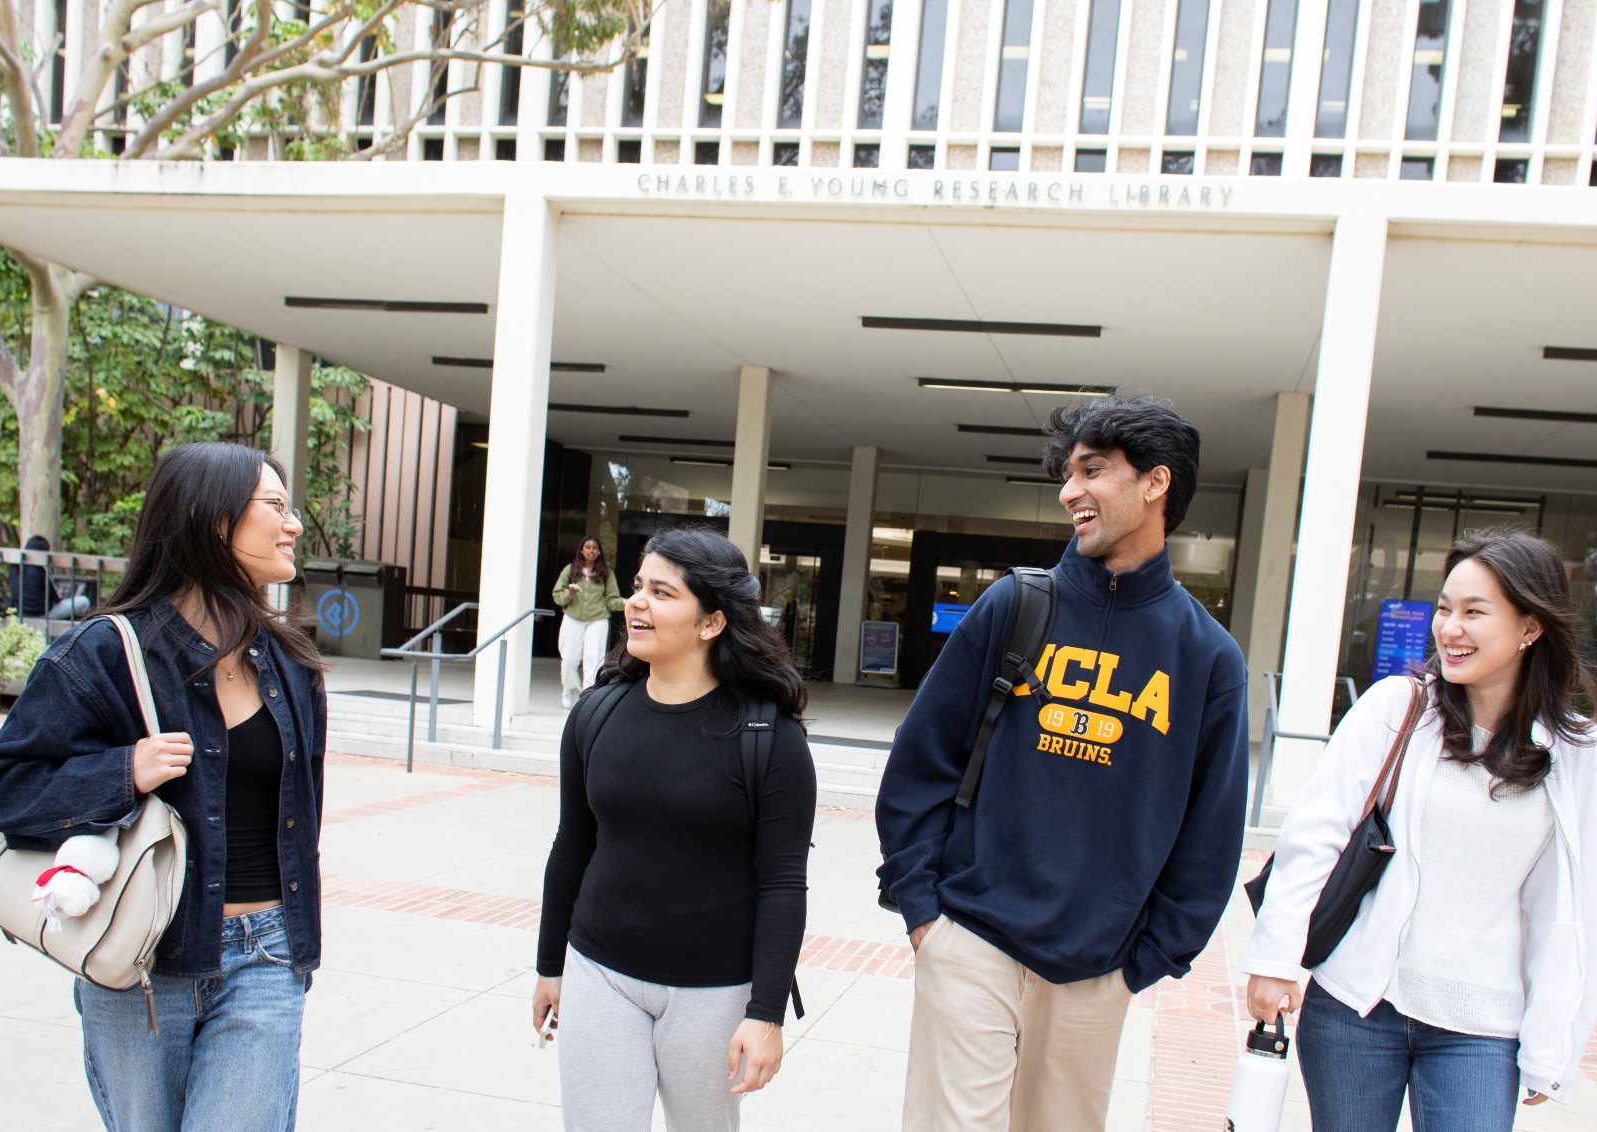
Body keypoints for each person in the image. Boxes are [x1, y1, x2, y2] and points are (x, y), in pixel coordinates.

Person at [875, 395, 1250, 1132]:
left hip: (1096, 968)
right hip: (971, 936)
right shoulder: (1015, 605)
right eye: (1068, 473)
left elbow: (1213, 830)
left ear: (1155, 484)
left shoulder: (1206, 657)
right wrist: (924, 912)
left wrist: (1145, 961)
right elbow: (921, 760)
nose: (1070, 491)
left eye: (1093, 471)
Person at [0, 441, 327, 1132]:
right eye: (276, 507)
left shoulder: (290, 662)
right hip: (141, 962)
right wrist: (121, 772)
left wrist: (299, 951)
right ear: (210, 519)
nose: (294, 525)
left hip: (268, 954)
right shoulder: (104, 652)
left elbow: (300, 821)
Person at [1243, 530, 1597, 1132]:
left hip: (1482, 1026)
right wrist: (1275, 959)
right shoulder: (1399, 708)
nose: (1450, 628)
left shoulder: (1580, 756)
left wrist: (1553, 1046)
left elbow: (1572, 911)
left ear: (1531, 628)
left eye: (1475, 612)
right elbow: (1315, 837)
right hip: (1355, 1007)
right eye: (1445, 609)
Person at [533, 526, 817, 1132]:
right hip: (599, 973)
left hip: (713, 994)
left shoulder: (771, 739)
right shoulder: (596, 713)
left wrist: (766, 1015)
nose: (636, 602)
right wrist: (550, 966)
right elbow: (571, 847)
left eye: (661, 593)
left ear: (711, 622)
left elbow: (783, 884)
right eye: (638, 586)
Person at [554, 535, 625, 708]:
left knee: (593, 658)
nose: (591, 550)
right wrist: (569, 594)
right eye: (588, 547)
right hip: (573, 617)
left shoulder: (606, 573)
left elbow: (611, 599)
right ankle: (568, 689)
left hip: (597, 619)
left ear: (599, 551)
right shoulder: (570, 570)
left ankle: (586, 696)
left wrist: (625, 603)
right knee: (569, 659)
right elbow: (557, 596)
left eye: (594, 547)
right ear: (581, 550)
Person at [8, 534, 92, 620]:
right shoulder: (40, 571)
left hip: (20, 614)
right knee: (84, 601)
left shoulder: (14, 569)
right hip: (42, 615)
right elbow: (55, 598)